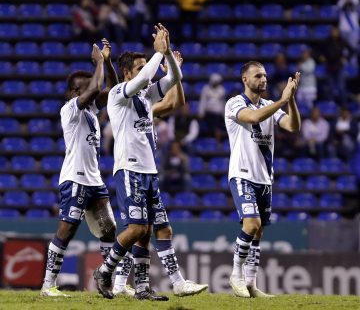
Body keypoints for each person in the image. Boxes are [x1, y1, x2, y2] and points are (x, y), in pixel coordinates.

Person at [93, 25, 207, 300]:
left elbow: (174, 78)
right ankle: (105, 271)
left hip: (149, 171)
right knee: (137, 229)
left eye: (146, 64)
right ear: (127, 73)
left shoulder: (145, 97)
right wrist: (158, 55)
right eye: (140, 67)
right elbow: (147, 76)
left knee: (158, 229)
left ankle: (145, 286)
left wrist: (167, 54)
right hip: (129, 169)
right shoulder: (118, 94)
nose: (146, 70)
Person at [40, 40, 119, 297]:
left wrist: (107, 62)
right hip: (75, 178)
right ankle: (48, 285)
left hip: (95, 180)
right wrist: (98, 62)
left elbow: (114, 89)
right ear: (76, 91)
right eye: (87, 89)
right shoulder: (70, 109)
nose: (94, 91)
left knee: (109, 229)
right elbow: (97, 85)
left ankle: (106, 279)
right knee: (68, 228)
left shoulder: (92, 110)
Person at [224, 61, 301, 298]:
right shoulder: (234, 103)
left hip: (264, 179)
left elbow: (292, 126)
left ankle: (251, 284)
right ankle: (235, 275)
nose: (263, 79)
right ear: (245, 80)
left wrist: (291, 100)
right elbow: (253, 117)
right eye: (258, 75)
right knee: (251, 224)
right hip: (242, 174)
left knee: (258, 234)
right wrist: (282, 100)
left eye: (265, 75)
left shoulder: (270, 105)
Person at [198, 73, 226, 143]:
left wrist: (224, 114)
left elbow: (223, 103)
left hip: (218, 114)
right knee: (211, 129)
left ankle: (218, 142)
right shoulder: (206, 89)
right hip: (209, 114)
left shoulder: (222, 90)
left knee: (218, 129)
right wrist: (201, 112)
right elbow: (203, 101)